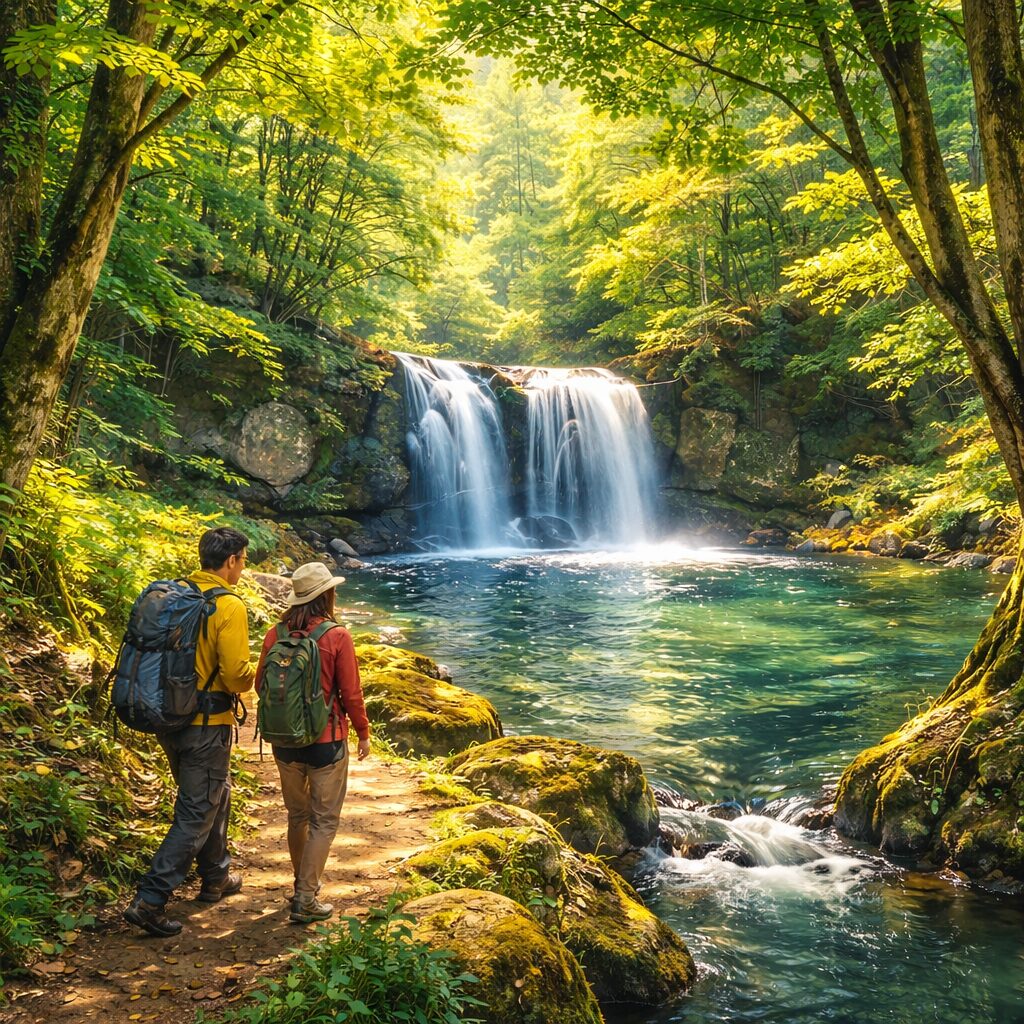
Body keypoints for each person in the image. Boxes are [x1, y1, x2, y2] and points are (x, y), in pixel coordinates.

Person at [124, 526, 256, 937]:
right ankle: (151, 900)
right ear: (231, 560)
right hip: (206, 725)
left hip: (168, 718)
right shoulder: (228, 606)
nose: (243, 566)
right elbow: (236, 677)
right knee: (197, 810)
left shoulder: (178, 595)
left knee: (216, 794)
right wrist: (258, 671)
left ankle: (216, 876)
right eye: (243, 559)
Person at [255, 560, 371, 924]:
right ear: (328, 594)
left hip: (284, 743)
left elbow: (260, 684)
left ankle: (300, 886)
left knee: (298, 816)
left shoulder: (275, 634)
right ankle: (305, 897)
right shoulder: (336, 636)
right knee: (323, 821)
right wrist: (364, 733)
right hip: (327, 743)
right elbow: (351, 694)